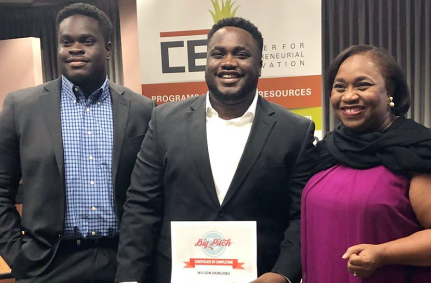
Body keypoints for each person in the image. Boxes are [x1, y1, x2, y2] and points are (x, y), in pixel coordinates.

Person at [115, 17, 316, 283]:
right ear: (207, 62)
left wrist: (283, 274)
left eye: (241, 54)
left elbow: (302, 216)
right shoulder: (163, 121)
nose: (228, 62)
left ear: (260, 66)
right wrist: (129, 279)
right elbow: (141, 207)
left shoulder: (294, 130)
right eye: (218, 54)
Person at [0, 3, 154, 283]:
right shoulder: (21, 107)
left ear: (108, 49)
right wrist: (17, 254)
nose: (75, 48)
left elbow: (153, 192)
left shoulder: (141, 110)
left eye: (87, 41)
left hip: (122, 263)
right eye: (66, 42)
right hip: (47, 264)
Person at [301, 45, 431, 283]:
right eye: (339, 87)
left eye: (363, 85)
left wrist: (383, 254)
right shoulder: (327, 150)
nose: (349, 96)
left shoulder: (418, 152)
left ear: (390, 91)